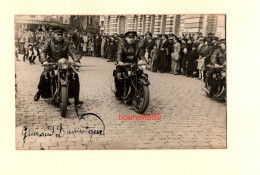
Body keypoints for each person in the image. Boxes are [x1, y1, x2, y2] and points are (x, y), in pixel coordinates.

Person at [34, 27, 83, 105]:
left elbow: (72, 52)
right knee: (44, 75)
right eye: (58, 34)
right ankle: (39, 92)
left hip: (64, 64)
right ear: (54, 34)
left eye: (61, 35)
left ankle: (76, 99)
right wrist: (44, 60)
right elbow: (43, 51)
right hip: (52, 63)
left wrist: (76, 60)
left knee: (74, 76)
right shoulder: (49, 41)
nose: (60, 36)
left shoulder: (66, 42)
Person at [114, 31, 139, 98]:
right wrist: (119, 61)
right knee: (119, 76)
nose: (131, 39)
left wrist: (143, 60)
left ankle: (139, 90)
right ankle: (119, 93)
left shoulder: (136, 46)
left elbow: (141, 55)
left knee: (140, 74)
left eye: (133, 37)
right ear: (126, 38)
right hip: (123, 64)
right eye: (129, 37)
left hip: (133, 65)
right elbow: (119, 54)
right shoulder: (122, 45)